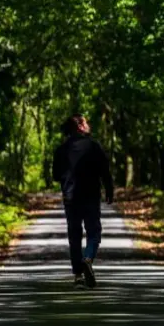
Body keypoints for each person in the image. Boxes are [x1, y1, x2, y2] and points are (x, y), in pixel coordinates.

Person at [51, 113, 114, 288]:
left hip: (70, 197)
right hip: (91, 196)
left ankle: (78, 275)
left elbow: (56, 175)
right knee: (94, 231)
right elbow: (105, 171)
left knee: (74, 234)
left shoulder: (61, 149)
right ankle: (87, 258)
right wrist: (109, 190)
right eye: (86, 123)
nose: (89, 125)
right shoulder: (94, 146)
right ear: (80, 126)